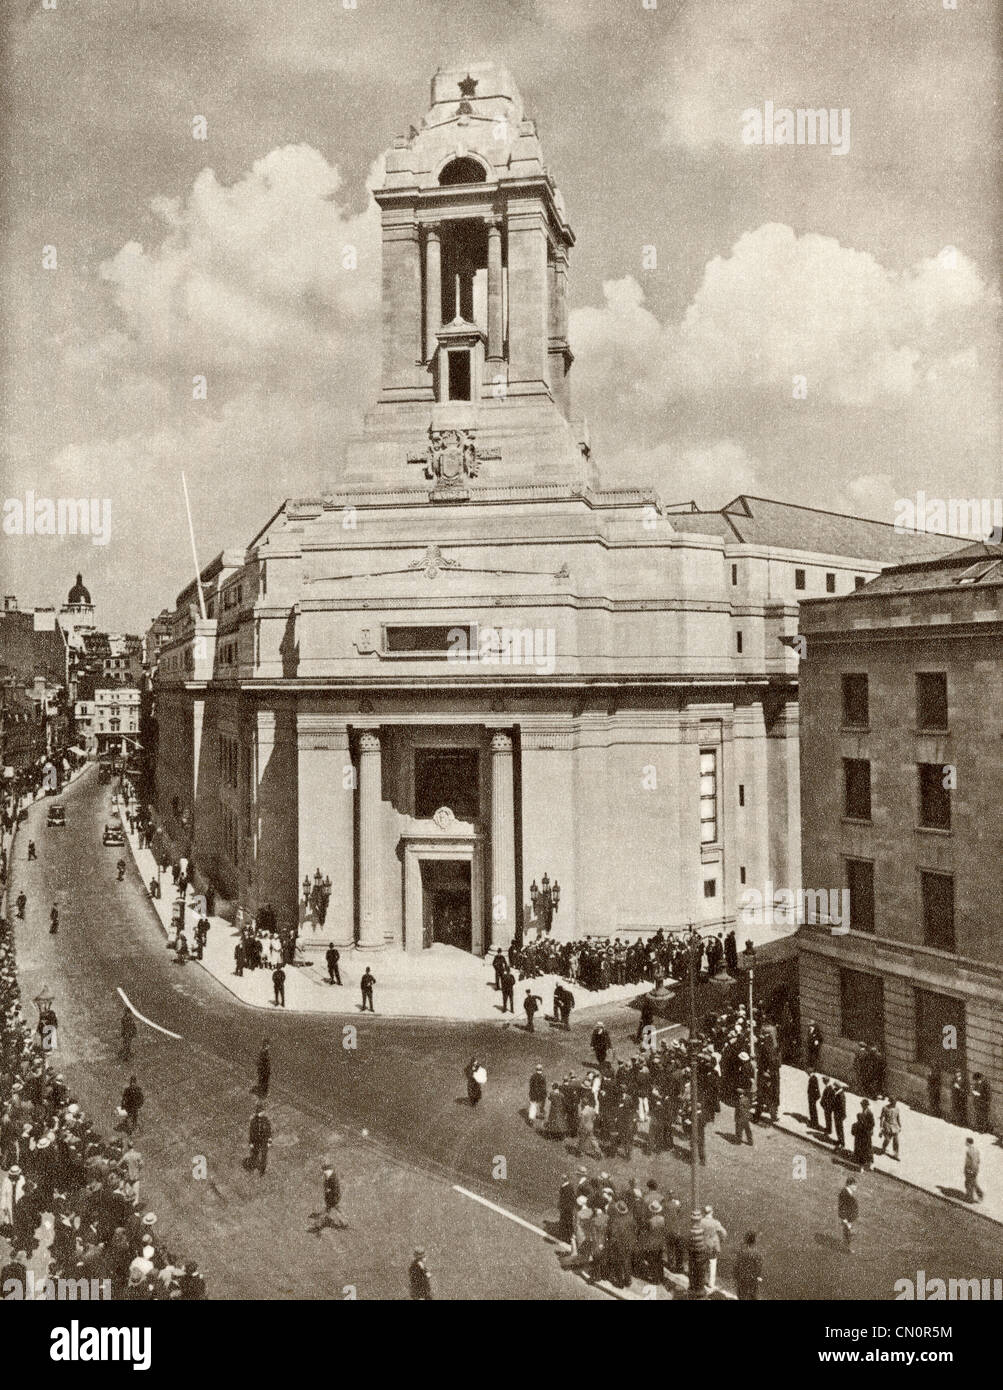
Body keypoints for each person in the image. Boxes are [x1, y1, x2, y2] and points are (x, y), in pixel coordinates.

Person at [699, 1204, 727, 1293]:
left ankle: (702, 1279)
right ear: (711, 1212)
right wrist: (721, 1240)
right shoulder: (716, 1222)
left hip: (703, 1245)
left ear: (704, 1212)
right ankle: (711, 1283)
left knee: (703, 1263)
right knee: (713, 1264)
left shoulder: (701, 1221)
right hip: (713, 1246)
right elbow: (724, 1232)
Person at [734, 1231, 763, 1300]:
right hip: (752, 1279)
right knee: (753, 1295)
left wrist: (736, 1276)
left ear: (746, 1240)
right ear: (755, 1241)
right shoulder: (757, 1254)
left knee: (741, 1295)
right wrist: (757, 1276)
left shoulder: (741, 1252)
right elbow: (759, 1268)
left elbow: (737, 1266)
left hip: (742, 1278)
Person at [852, 1097, 875, 1169]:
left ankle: (870, 1163)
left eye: (864, 1105)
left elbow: (872, 1124)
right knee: (862, 1149)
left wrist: (864, 1125)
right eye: (862, 1104)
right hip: (862, 1133)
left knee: (867, 1149)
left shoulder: (869, 1113)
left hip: (866, 1134)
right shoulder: (862, 1112)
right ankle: (863, 1164)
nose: (862, 1106)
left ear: (867, 1105)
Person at [249, 1104, 271, 1175]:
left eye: (263, 1111)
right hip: (256, 1140)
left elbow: (269, 1131)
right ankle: (254, 1167)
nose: (263, 1113)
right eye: (261, 1111)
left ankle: (262, 1171)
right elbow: (251, 1132)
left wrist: (269, 1140)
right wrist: (251, 1142)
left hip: (264, 1140)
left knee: (264, 1156)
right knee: (255, 1155)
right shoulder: (253, 1121)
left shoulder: (266, 1120)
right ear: (258, 1112)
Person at [838, 1177, 858, 1250]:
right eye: (855, 1185)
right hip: (847, 1218)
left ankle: (846, 1247)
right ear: (850, 1185)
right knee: (848, 1233)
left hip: (849, 1217)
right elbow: (842, 1206)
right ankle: (847, 1248)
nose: (856, 1187)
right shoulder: (845, 1193)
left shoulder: (848, 1192)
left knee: (848, 1233)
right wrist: (844, 1218)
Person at [964, 1137, 984, 1204]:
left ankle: (970, 1199)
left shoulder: (969, 1151)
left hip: (971, 1169)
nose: (965, 1143)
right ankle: (979, 1195)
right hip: (975, 1169)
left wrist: (970, 1170)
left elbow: (973, 1162)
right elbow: (978, 1160)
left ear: (968, 1142)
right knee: (972, 1182)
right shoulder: (976, 1150)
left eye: (966, 1142)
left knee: (969, 1183)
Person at [832, 1083, 847, 1151]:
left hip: (839, 1115)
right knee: (838, 1128)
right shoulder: (839, 1093)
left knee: (840, 1129)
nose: (834, 1089)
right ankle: (839, 1140)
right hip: (837, 1114)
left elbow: (842, 1106)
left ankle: (842, 1143)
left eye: (835, 1088)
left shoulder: (840, 1095)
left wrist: (843, 1115)